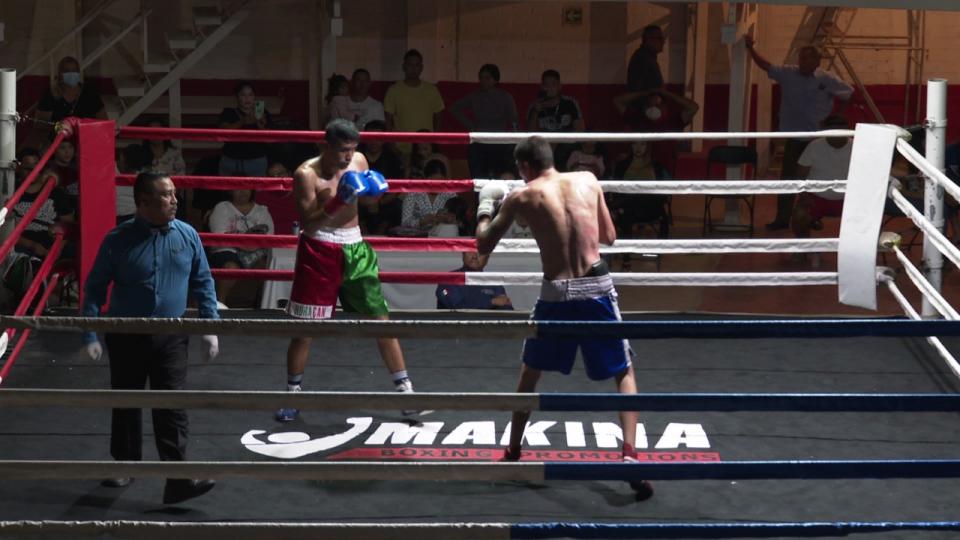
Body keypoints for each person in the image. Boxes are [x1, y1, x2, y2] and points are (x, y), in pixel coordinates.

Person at [474, 136, 652, 500]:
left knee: (529, 373)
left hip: (556, 293)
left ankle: (512, 452)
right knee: (624, 371)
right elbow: (611, 237)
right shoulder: (588, 180)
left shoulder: (522, 196)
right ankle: (630, 457)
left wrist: (485, 206)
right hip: (597, 286)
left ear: (524, 168)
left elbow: (482, 245)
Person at [80, 171, 220, 505]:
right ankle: (125, 463)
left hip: (172, 334)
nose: (174, 200)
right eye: (166, 195)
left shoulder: (187, 235)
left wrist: (210, 326)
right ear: (143, 201)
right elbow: (95, 288)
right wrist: (91, 333)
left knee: (171, 404)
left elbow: (203, 281)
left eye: (174, 194)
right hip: (126, 333)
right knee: (126, 400)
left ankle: (178, 478)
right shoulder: (118, 239)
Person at [278, 119, 423, 421]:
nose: (348, 157)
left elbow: (368, 202)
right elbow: (308, 224)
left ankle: (406, 390)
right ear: (325, 146)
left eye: (351, 150)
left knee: (381, 322)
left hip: (355, 247)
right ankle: (291, 394)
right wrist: (337, 201)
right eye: (342, 150)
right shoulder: (306, 175)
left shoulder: (359, 160)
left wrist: (375, 193)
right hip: (318, 248)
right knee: (305, 330)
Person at [745, 36, 853, 231]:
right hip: (793, 137)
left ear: (818, 61)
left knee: (815, 180)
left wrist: (836, 116)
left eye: (808, 59)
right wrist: (750, 49)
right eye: (801, 58)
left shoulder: (827, 78)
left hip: (818, 138)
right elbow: (765, 65)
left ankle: (812, 216)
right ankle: (782, 219)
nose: (803, 62)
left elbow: (847, 93)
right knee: (788, 179)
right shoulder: (787, 73)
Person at [790, 115, 852, 266]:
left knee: (868, 217)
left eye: (841, 130)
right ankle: (802, 249)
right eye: (833, 131)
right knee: (799, 215)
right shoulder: (814, 146)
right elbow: (800, 174)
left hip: (848, 198)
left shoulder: (858, 147)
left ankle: (856, 253)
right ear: (826, 131)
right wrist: (804, 195)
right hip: (816, 196)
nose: (837, 134)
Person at [208, 189, 275, 305]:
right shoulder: (222, 207)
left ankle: (261, 306)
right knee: (231, 268)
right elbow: (219, 234)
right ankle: (219, 304)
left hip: (256, 251)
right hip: (227, 249)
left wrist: (248, 243)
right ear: (230, 191)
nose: (242, 192)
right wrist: (246, 242)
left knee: (265, 267)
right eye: (237, 189)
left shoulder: (262, 210)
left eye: (246, 188)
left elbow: (269, 235)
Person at [450, 63, 518, 178]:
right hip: (479, 141)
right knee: (478, 176)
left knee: (499, 176)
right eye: (481, 78)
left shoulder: (505, 97)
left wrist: (515, 140)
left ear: (495, 80)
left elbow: (514, 121)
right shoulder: (475, 96)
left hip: (499, 142)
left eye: (487, 78)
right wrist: (471, 125)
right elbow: (454, 108)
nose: (483, 81)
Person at [384, 49, 445, 157]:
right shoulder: (393, 90)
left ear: (421, 67)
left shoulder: (432, 90)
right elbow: (388, 121)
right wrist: (391, 145)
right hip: (401, 148)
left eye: (416, 65)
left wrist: (434, 142)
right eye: (410, 65)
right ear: (404, 66)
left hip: (426, 147)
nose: (413, 68)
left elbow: (439, 118)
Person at [526, 70, 584, 169]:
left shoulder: (570, 103)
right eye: (546, 85)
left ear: (559, 86)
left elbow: (580, 129)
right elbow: (531, 134)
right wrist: (536, 112)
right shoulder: (534, 106)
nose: (550, 88)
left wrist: (559, 141)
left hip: (567, 145)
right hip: (544, 145)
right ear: (542, 87)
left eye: (553, 84)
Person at [218, 81, 271, 177]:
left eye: (250, 95)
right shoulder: (228, 112)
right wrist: (243, 121)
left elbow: (270, 140)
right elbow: (223, 133)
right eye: (243, 95)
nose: (247, 98)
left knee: (258, 191)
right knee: (228, 191)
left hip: (256, 161)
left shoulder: (263, 113)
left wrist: (261, 126)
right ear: (237, 97)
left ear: (254, 97)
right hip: (231, 161)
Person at [436, 251, 512, 310]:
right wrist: (491, 302)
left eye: (480, 252)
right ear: (463, 254)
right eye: (470, 250)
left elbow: (506, 311)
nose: (475, 256)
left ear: (487, 258)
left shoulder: (495, 284)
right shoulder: (448, 279)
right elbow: (456, 307)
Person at [626, 25, 665, 92]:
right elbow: (636, 89)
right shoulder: (642, 58)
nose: (663, 41)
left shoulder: (647, 57)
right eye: (660, 38)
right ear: (649, 40)